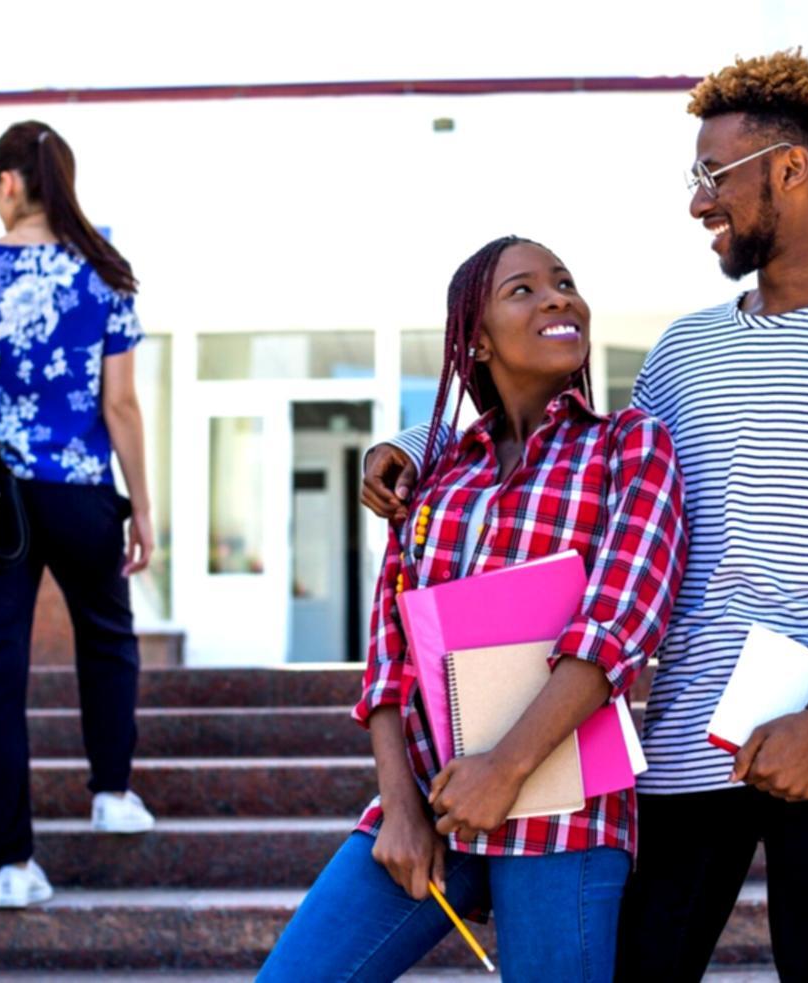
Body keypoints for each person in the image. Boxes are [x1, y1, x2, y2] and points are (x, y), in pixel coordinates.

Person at [361, 52, 808, 981]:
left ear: (790, 168)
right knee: (646, 967)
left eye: (713, 174)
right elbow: (572, 437)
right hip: (689, 724)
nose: (698, 202)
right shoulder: (686, 351)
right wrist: (418, 445)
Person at [259, 236, 686, 981]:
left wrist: (505, 768)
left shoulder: (628, 444)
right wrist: (398, 805)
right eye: (523, 289)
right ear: (477, 339)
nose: (558, 297)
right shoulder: (435, 473)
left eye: (565, 282)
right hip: (434, 796)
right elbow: (390, 652)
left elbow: (620, 622)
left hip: (565, 801)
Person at [0, 120, 158, 909]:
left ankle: (12, 865)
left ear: (8, 183)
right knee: (106, 634)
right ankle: (112, 792)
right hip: (80, 486)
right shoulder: (105, 268)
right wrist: (143, 506)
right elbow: (119, 403)